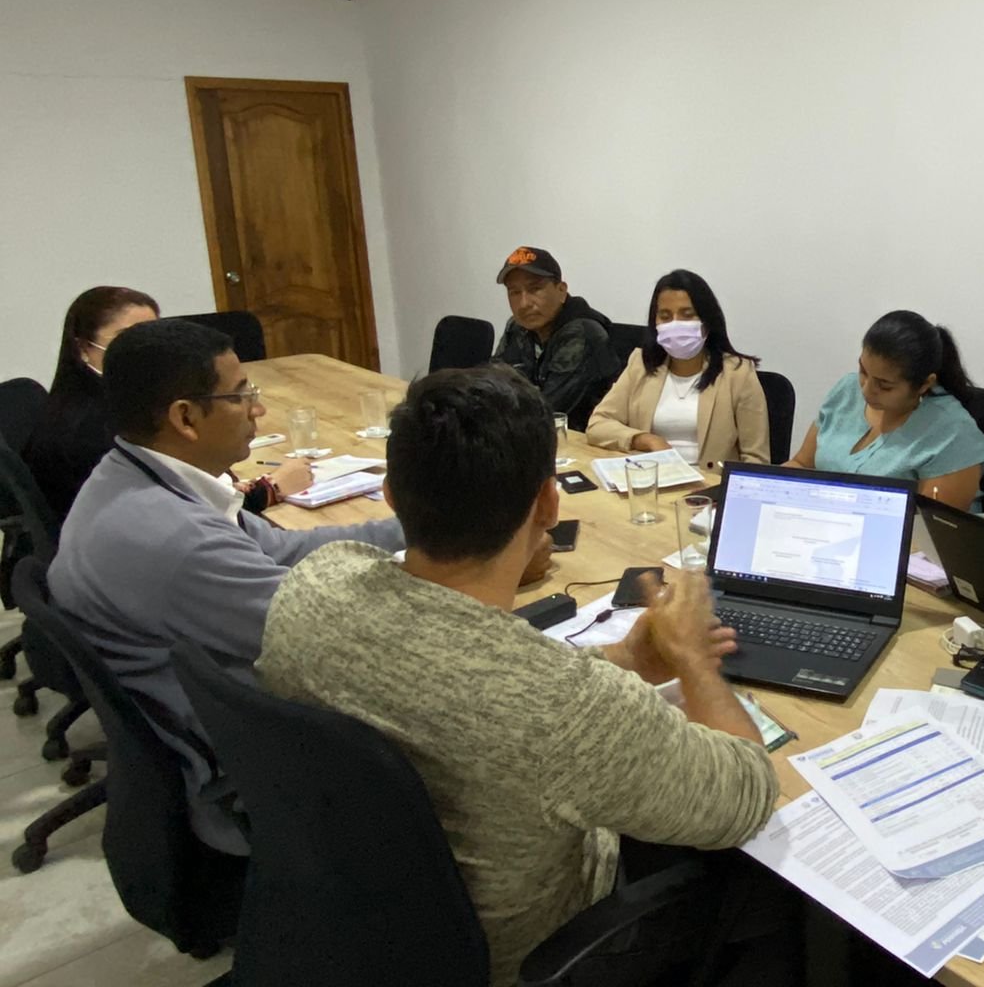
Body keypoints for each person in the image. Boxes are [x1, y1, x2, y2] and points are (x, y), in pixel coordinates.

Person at [257, 365, 778, 987]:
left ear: (391, 495)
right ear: (549, 504)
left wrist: (627, 659)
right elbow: (747, 795)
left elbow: (493, 686)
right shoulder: (565, 708)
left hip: (351, 919)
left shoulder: (314, 583)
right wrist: (694, 662)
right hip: (521, 958)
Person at [48, 319, 410, 854]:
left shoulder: (131, 474)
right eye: (241, 396)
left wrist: (421, 528)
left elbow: (282, 550)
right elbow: (336, 634)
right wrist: (456, 574)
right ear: (186, 418)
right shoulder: (175, 539)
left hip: (219, 717)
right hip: (249, 778)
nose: (258, 410)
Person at [22, 286, 310, 520]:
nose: (147, 353)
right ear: (84, 348)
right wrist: (269, 489)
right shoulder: (91, 431)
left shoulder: (110, 401)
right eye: (127, 340)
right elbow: (178, 517)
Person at [787, 310, 984, 510]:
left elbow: (932, 525)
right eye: (863, 371)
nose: (866, 390)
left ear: (924, 384)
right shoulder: (847, 391)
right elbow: (801, 465)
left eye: (884, 385)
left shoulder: (952, 434)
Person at [586, 269, 770, 467]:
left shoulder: (738, 373)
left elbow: (756, 459)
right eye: (665, 316)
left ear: (707, 322)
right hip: (652, 478)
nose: (675, 324)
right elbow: (598, 424)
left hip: (709, 484)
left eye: (687, 315)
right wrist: (646, 440)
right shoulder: (641, 364)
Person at [491, 246, 619, 430]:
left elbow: (548, 409)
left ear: (561, 291)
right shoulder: (517, 327)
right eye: (515, 292)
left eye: (535, 289)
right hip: (527, 433)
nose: (524, 304)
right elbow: (491, 384)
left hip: (580, 438)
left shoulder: (583, 333)